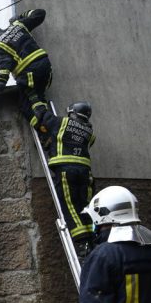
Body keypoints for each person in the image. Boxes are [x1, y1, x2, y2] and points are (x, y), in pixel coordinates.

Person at [28, 98, 97, 256]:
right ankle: (92, 239)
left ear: (73, 113)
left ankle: (82, 244)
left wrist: (36, 100)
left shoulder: (62, 122)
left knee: (70, 206)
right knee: (84, 206)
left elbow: (43, 117)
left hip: (66, 169)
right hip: (86, 173)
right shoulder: (90, 132)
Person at [0, 9, 52, 109]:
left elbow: (5, 63)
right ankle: (47, 118)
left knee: (26, 105)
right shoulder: (18, 25)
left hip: (29, 72)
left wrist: (0, 82)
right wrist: (20, 16)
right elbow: (40, 13)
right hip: (45, 65)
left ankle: (46, 122)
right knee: (38, 98)